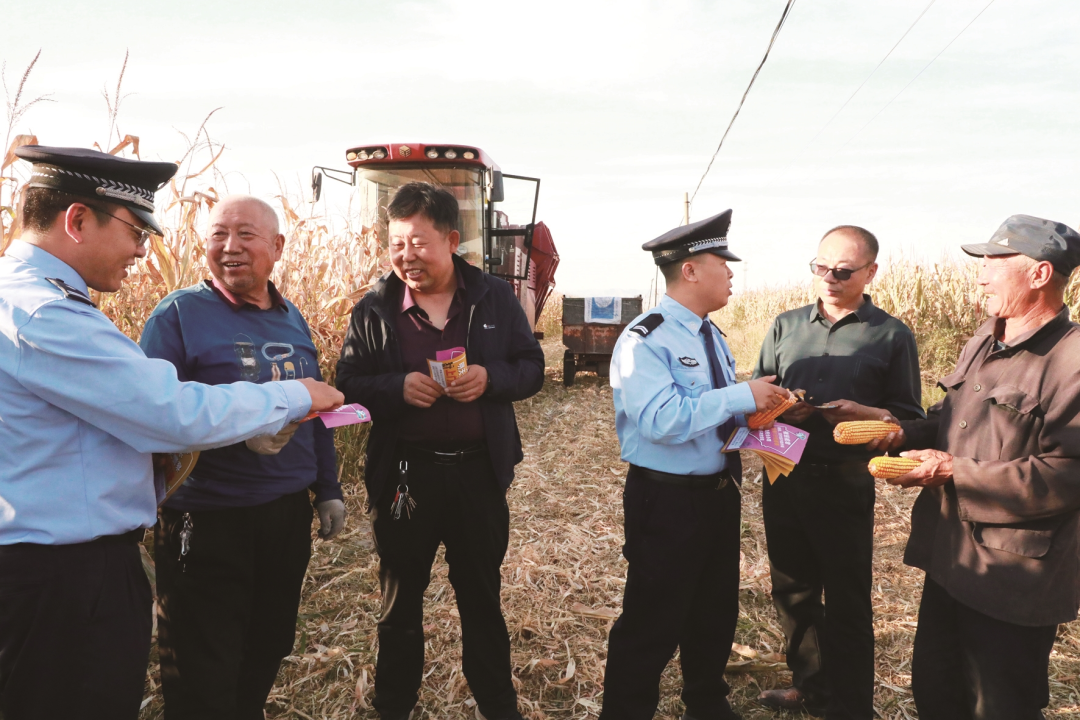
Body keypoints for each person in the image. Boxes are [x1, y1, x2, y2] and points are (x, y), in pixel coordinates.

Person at [0, 147, 343, 720]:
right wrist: (292, 396)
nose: (142, 250)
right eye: (135, 231)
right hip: (66, 575)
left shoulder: (43, 302)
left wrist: (323, 483)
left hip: (76, 566)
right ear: (78, 220)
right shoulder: (42, 314)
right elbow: (170, 412)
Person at [335, 182, 545, 720]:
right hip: (406, 476)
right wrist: (396, 388)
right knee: (399, 604)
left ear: (452, 241)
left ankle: (499, 708)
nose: (406, 256)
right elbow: (349, 382)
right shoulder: (374, 309)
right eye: (397, 244)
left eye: (419, 243)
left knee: (482, 599)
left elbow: (531, 368)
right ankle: (393, 708)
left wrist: (489, 378)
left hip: (478, 475)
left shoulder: (493, 298)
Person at [139, 195, 346, 719]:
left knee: (267, 643)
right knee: (201, 665)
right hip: (206, 520)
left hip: (284, 518)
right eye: (218, 234)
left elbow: (317, 409)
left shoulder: (292, 318)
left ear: (277, 246)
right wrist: (238, 435)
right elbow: (150, 418)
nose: (229, 246)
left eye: (245, 235)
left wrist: (327, 488)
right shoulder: (178, 316)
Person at [868, 215, 1080, 720]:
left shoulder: (1072, 361)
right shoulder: (984, 340)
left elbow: (1067, 474)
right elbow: (951, 417)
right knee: (936, 692)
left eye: (994, 264)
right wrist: (899, 432)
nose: (981, 277)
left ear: (1039, 274)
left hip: (1013, 577)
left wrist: (952, 472)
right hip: (951, 558)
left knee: (1000, 705)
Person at [599, 210, 790, 720]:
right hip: (667, 501)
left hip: (719, 494)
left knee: (714, 611)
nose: (730, 272)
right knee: (652, 620)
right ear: (689, 270)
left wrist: (763, 413)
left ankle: (706, 704)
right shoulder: (646, 338)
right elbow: (660, 421)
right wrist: (740, 395)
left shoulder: (712, 335)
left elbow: (715, 414)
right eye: (721, 262)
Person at [750, 226, 924, 719]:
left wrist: (865, 415)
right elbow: (759, 393)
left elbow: (907, 417)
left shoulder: (891, 335)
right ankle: (811, 687)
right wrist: (782, 407)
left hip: (845, 481)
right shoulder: (785, 325)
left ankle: (850, 707)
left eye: (843, 271)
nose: (829, 278)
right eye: (820, 267)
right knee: (792, 591)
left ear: (870, 272)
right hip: (784, 473)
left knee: (848, 601)